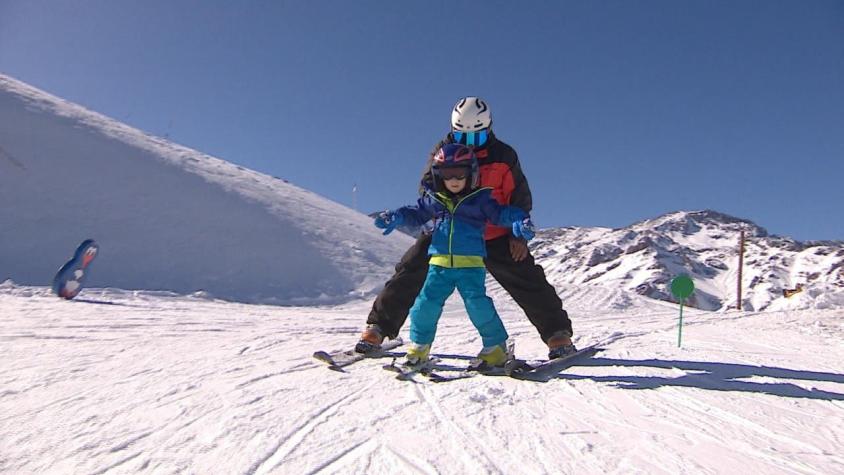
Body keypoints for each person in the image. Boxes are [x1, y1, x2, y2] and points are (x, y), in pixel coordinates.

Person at [358, 96, 576, 359]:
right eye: (463, 137)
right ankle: (379, 327)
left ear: (489, 130)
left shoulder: (504, 155)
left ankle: (557, 334)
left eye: (476, 138)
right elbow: (428, 188)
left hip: (494, 230)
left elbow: (519, 195)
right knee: (411, 267)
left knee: (525, 276)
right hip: (450, 228)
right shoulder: (444, 148)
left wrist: (517, 234)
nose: (468, 144)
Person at [374, 143, 536, 368]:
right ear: (438, 176)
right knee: (424, 305)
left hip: (470, 266)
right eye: (447, 174)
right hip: (439, 266)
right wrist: (397, 217)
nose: (454, 180)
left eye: (459, 173)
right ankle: (419, 347)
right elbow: (415, 213)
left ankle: (497, 347)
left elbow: (502, 214)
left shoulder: (480, 201)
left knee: (477, 305)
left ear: (471, 173)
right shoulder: (435, 200)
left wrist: (520, 220)